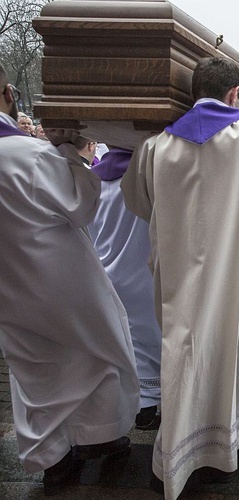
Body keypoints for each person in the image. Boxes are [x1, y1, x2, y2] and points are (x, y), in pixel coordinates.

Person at [122, 57, 239, 499]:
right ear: (233, 95)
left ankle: (183, 455)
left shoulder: (157, 147)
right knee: (237, 353)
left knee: (189, 360)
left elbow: (137, 199)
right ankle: (229, 445)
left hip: (183, 282)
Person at [0, 61, 139, 496]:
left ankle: (53, 462)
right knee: (100, 356)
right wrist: (73, 150)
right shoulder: (27, 155)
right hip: (62, 285)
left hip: (9, 290)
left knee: (35, 374)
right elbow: (81, 204)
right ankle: (102, 437)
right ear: (8, 93)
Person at [87, 148, 163, 431]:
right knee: (153, 342)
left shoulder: (90, 179)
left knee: (127, 343)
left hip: (107, 274)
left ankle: (138, 405)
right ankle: (154, 402)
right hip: (143, 273)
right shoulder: (148, 175)